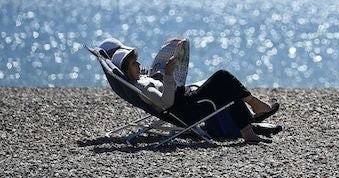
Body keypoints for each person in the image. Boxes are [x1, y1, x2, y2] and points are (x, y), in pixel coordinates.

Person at [109, 45, 279, 143]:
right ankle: (255, 108)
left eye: (137, 61)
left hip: (185, 102)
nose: (138, 64)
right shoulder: (143, 87)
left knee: (225, 86)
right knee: (223, 77)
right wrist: (168, 75)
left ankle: (249, 129)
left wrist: (161, 75)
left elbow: (164, 94)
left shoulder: (142, 80)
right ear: (126, 70)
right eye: (133, 64)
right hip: (186, 110)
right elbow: (166, 103)